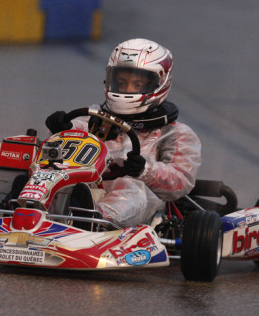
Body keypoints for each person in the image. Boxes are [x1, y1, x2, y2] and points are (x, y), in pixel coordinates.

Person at [45, 38, 201, 227]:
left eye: (137, 85)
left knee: (131, 187)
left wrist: (145, 170)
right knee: (52, 175)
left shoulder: (174, 133)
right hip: (86, 188)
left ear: (159, 83)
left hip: (137, 203)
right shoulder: (93, 118)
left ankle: (93, 220)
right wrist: (62, 131)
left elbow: (181, 181)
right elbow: (73, 140)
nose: (127, 90)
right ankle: (31, 210)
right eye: (121, 82)